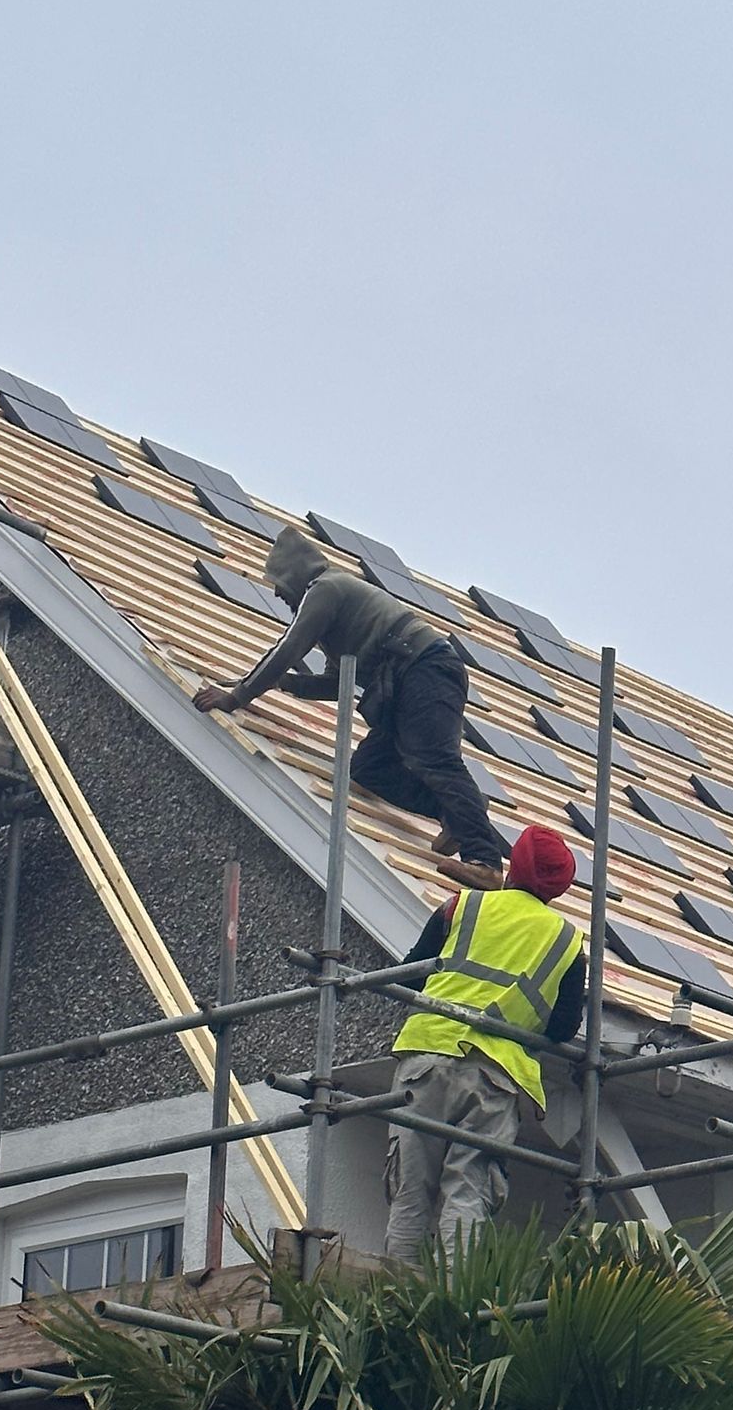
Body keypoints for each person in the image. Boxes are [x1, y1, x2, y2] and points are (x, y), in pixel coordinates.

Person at [191, 525, 509, 883]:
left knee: (433, 758)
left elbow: (287, 649)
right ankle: (454, 813)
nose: (278, 593)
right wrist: (289, 684)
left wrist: (236, 696)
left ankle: (485, 862)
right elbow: (337, 683)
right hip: (404, 678)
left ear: (295, 575)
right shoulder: (337, 615)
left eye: (279, 582)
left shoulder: (324, 590)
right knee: (369, 767)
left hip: (425, 667)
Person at [383, 823, 586, 1254]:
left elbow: (411, 972)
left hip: (428, 1054)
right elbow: (565, 1027)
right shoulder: (568, 942)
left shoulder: (462, 908)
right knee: (468, 1191)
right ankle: (454, 1307)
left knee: (411, 1190)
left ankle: (394, 1299)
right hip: (495, 1074)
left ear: (515, 867)